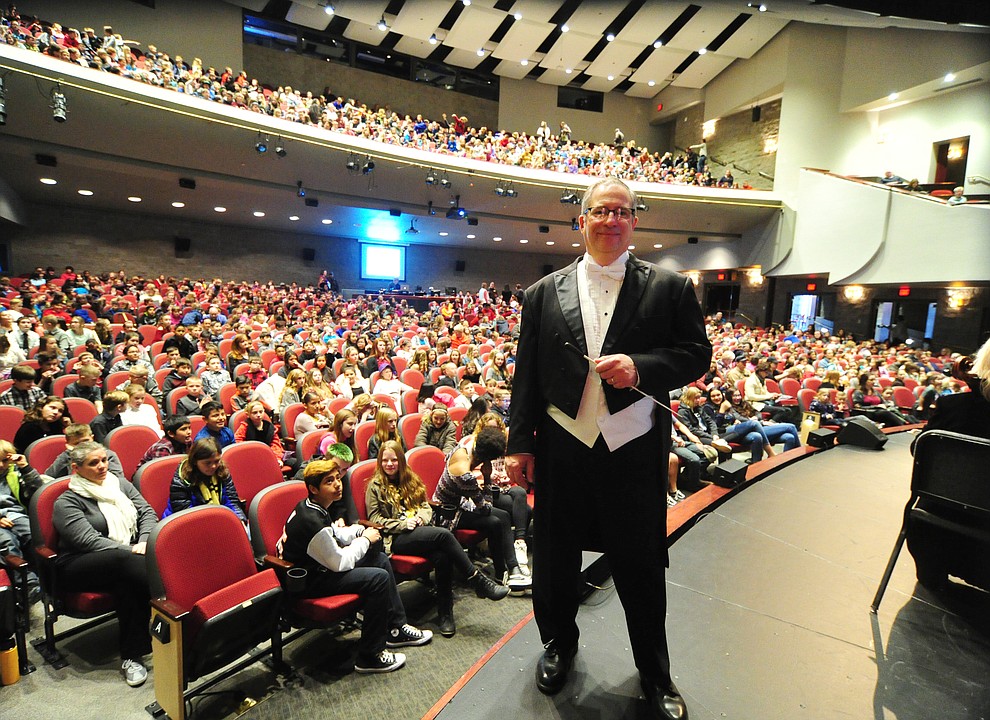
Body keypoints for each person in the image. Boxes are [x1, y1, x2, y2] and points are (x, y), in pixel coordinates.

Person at [505, 178, 710, 719]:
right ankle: (559, 644)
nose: (611, 219)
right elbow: (527, 375)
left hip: (633, 446)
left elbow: (695, 355)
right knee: (554, 557)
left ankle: (655, 673)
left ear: (634, 221)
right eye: (600, 211)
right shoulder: (542, 292)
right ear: (583, 220)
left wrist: (643, 368)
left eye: (622, 211)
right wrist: (517, 445)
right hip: (561, 445)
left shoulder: (671, 288)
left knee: (640, 564)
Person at [278, 459, 432, 674]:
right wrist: (366, 539)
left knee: (380, 560)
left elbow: (335, 533)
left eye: (337, 478)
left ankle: (396, 628)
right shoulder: (312, 521)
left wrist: (359, 530)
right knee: (378, 578)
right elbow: (340, 562)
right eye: (329, 481)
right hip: (311, 582)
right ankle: (370, 655)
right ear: (313, 488)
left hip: (321, 568)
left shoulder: (313, 506)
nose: (337, 484)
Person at [366, 440, 508, 637]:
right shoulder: (375, 486)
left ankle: (445, 613)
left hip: (418, 530)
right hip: (395, 538)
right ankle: (478, 581)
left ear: (400, 460)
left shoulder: (410, 479)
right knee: (443, 535)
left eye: (393, 460)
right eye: (384, 461)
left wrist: (420, 518)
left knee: (442, 556)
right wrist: (402, 525)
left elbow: (425, 506)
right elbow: (374, 519)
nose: (389, 464)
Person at [52, 441, 157, 686]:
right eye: (94, 463)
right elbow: (88, 541)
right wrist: (133, 550)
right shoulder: (67, 502)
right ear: (76, 468)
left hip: (127, 560)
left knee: (128, 585)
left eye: (104, 460)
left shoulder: (120, 484)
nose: (102, 466)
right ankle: (178, 607)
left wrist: (142, 541)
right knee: (125, 563)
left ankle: (132, 656)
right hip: (79, 565)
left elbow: (148, 513)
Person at [434, 426, 529, 592]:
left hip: (461, 504)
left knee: (503, 516)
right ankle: (508, 569)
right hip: (448, 513)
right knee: (496, 520)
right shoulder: (465, 475)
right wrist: (486, 477)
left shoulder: (464, 449)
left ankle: (508, 570)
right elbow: (485, 507)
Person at [0, 439, 44, 601]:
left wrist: (25, 467)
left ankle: (48, 578)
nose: (1, 465)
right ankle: (28, 584)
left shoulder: (14, 473)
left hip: (17, 515)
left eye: (5, 460)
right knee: (7, 542)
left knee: (35, 536)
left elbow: (38, 492)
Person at [165, 438, 246, 523]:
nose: (214, 466)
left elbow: (232, 502)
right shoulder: (182, 481)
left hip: (218, 520)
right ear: (195, 462)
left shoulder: (222, 472)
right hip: (187, 523)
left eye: (217, 461)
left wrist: (240, 520)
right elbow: (186, 516)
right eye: (207, 463)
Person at [46, 423, 126, 480]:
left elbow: (119, 480)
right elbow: (49, 477)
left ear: (92, 438)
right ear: (69, 444)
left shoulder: (107, 454)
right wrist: (68, 454)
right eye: (77, 444)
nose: (83, 446)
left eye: (86, 441)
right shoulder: (67, 456)